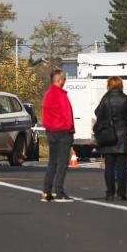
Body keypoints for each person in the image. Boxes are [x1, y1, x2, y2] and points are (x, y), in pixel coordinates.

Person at [94, 75, 127, 200]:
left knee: (109, 166)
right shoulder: (126, 99)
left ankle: (110, 192)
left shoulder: (105, 99)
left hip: (108, 135)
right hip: (122, 135)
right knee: (122, 166)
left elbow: (98, 113)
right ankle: (122, 193)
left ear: (109, 85)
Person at [40, 68, 75, 202]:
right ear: (59, 80)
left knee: (52, 162)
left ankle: (46, 191)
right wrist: (70, 129)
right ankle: (59, 191)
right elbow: (67, 115)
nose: (65, 81)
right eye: (64, 78)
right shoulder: (61, 95)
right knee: (62, 162)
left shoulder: (48, 94)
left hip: (51, 131)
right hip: (62, 132)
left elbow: (45, 114)